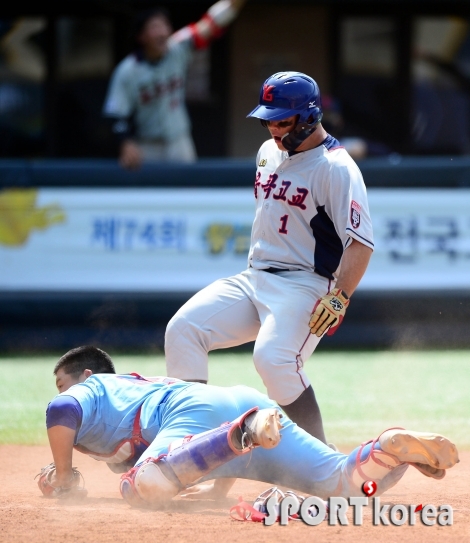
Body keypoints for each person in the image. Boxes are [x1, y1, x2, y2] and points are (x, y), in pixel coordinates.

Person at [165, 72, 374, 444]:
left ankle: (323, 464)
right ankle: (188, 449)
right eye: (268, 120)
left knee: (273, 359)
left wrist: (340, 296)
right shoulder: (267, 153)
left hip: (305, 283)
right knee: (183, 330)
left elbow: (361, 242)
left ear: (309, 116)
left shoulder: (336, 168)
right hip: (254, 277)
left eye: (282, 120)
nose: (273, 128)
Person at [38, 346, 459, 509]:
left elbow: (59, 411)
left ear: (87, 374)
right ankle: (388, 447)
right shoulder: (122, 393)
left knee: (139, 486)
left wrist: (62, 475)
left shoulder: (92, 388)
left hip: (201, 413)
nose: (60, 391)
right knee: (347, 487)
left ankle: (241, 433)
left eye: (62, 381)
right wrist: (214, 485)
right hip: (243, 404)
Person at [102, 0, 247, 169]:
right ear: (141, 36)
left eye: (164, 25)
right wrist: (125, 143)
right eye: (154, 27)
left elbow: (211, 23)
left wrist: (233, 4)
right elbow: (115, 114)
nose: (162, 32)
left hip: (179, 141)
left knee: (189, 192)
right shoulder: (127, 70)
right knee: (149, 194)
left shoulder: (177, 47)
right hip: (147, 145)